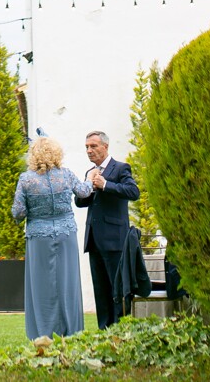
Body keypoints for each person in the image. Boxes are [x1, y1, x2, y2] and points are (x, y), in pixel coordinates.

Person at [11, 136, 84, 340]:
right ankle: (71, 331)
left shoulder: (26, 179)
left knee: (41, 284)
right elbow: (84, 192)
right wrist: (92, 178)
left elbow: (18, 212)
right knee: (67, 281)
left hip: (39, 238)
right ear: (56, 153)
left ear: (33, 155)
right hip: (66, 234)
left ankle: (43, 332)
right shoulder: (66, 175)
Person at [72, 130, 139, 330]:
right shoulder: (90, 171)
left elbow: (133, 192)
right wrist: (89, 186)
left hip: (114, 239)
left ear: (105, 146)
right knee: (100, 289)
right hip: (93, 240)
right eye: (86, 147)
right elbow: (79, 202)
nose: (89, 151)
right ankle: (104, 330)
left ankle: (121, 329)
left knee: (117, 288)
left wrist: (106, 184)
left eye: (93, 146)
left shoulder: (120, 168)